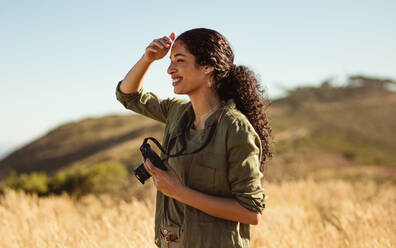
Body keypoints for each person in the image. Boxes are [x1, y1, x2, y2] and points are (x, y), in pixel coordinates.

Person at [116, 28, 271, 248]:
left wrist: (178, 192)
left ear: (208, 66)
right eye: (170, 61)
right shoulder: (177, 113)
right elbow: (128, 96)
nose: (170, 69)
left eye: (179, 60)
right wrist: (147, 59)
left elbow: (251, 212)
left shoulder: (235, 127)